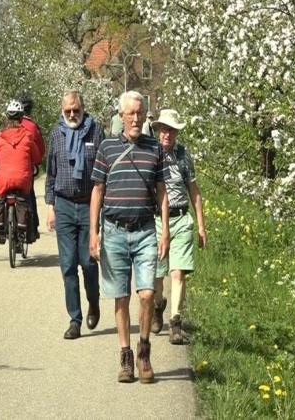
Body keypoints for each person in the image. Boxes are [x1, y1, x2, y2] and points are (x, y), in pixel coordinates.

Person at [89, 90, 170, 384]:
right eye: (130, 113)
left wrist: (165, 232)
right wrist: (93, 233)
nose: (136, 118)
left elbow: (162, 191)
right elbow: (97, 192)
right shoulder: (107, 148)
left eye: (140, 113)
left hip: (146, 230)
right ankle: (125, 355)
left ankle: (144, 349)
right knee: (120, 298)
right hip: (113, 231)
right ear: (121, 116)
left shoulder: (154, 149)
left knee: (147, 294)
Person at [45, 90, 105, 340]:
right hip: (64, 205)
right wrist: (50, 207)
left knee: (89, 263)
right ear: (62, 110)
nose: (72, 114)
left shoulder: (96, 131)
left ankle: (94, 300)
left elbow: (104, 173)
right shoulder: (56, 134)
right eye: (68, 110)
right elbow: (50, 173)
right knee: (68, 266)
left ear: (83, 109)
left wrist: (104, 208)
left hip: (89, 205)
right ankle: (75, 320)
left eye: (76, 110)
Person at [150, 109, 207, 344]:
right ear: (158, 130)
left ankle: (175, 323)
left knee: (178, 271)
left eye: (172, 130)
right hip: (156, 220)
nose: (167, 134)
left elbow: (194, 192)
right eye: (164, 129)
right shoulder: (151, 154)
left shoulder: (184, 156)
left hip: (181, 218)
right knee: (157, 273)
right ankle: (157, 306)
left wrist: (201, 226)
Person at [0, 100, 42, 244]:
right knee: (25, 200)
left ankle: (1, 228)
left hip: (3, 179)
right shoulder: (27, 136)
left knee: (1, 196)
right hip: (22, 180)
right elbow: (37, 157)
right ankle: (24, 228)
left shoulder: (1, 138)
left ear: (7, 118)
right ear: (21, 119)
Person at [18, 93, 45, 240]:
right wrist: (38, 161)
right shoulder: (33, 127)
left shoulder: (7, 126)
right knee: (29, 195)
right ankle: (32, 228)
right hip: (27, 169)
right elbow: (40, 149)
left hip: (6, 172)